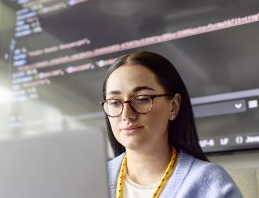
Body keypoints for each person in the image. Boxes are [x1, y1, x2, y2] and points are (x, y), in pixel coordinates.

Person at [100, 51, 243, 198]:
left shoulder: (209, 183)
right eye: (115, 102)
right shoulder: (94, 178)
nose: (126, 115)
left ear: (173, 105)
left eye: (142, 99)